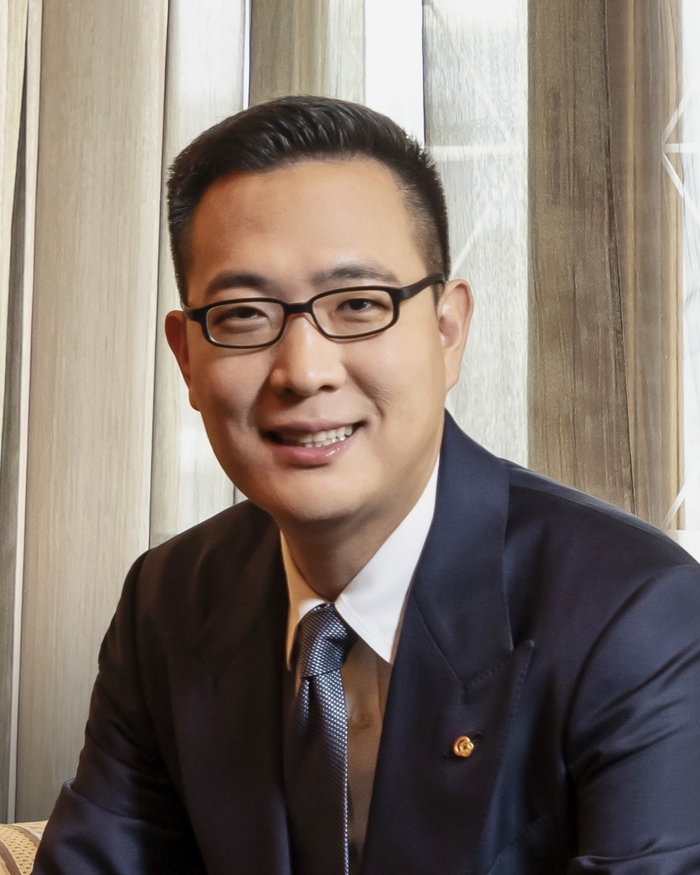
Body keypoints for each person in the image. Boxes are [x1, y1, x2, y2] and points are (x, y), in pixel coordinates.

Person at [33, 95, 700, 875]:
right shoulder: (168, 601)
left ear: (447, 331)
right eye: (244, 315)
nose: (303, 371)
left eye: (357, 304)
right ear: (186, 356)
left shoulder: (634, 612)